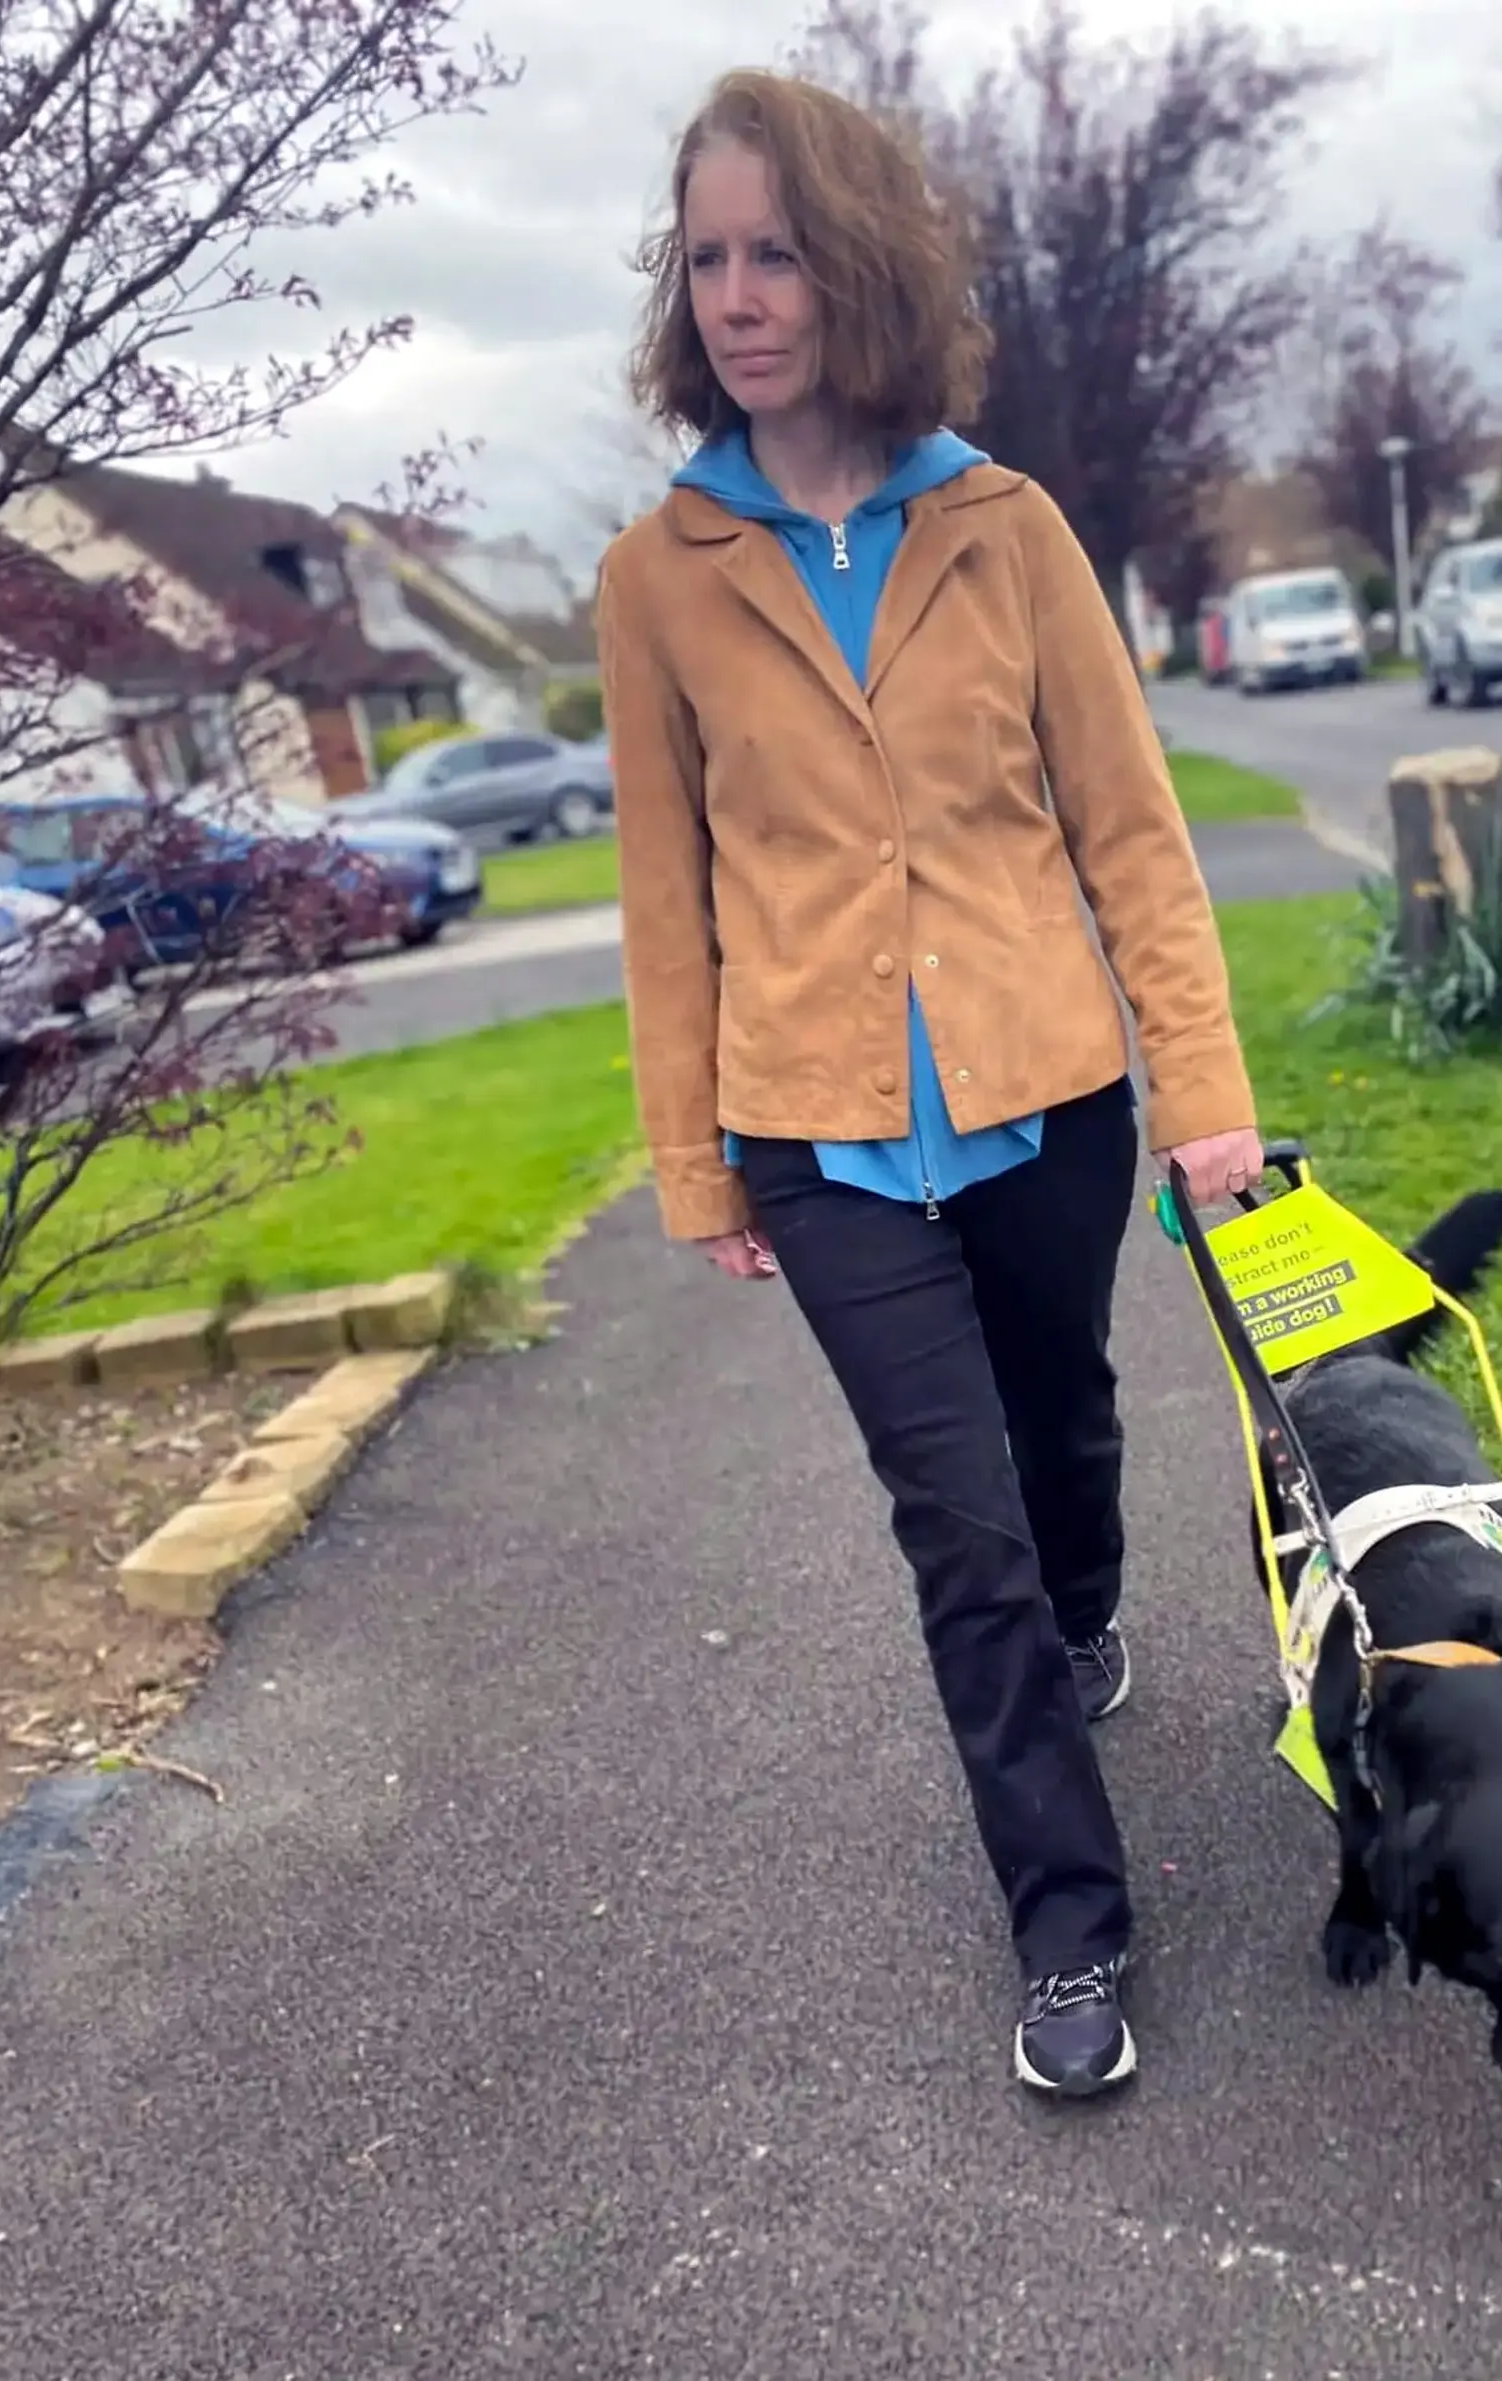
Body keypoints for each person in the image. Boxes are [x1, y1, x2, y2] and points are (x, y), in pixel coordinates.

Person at [593, 67, 1264, 2102]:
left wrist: (1203, 1089)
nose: (737, 293)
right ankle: (1070, 1928)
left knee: (1062, 1431)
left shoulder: (1008, 528)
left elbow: (1131, 827)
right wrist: (697, 1159)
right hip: (826, 1137)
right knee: (955, 1525)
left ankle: (1097, 1605)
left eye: (775, 249)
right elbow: (660, 889)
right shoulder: (662, 576)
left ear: (858, 263)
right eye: (706, 256)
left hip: (1046, 1093)